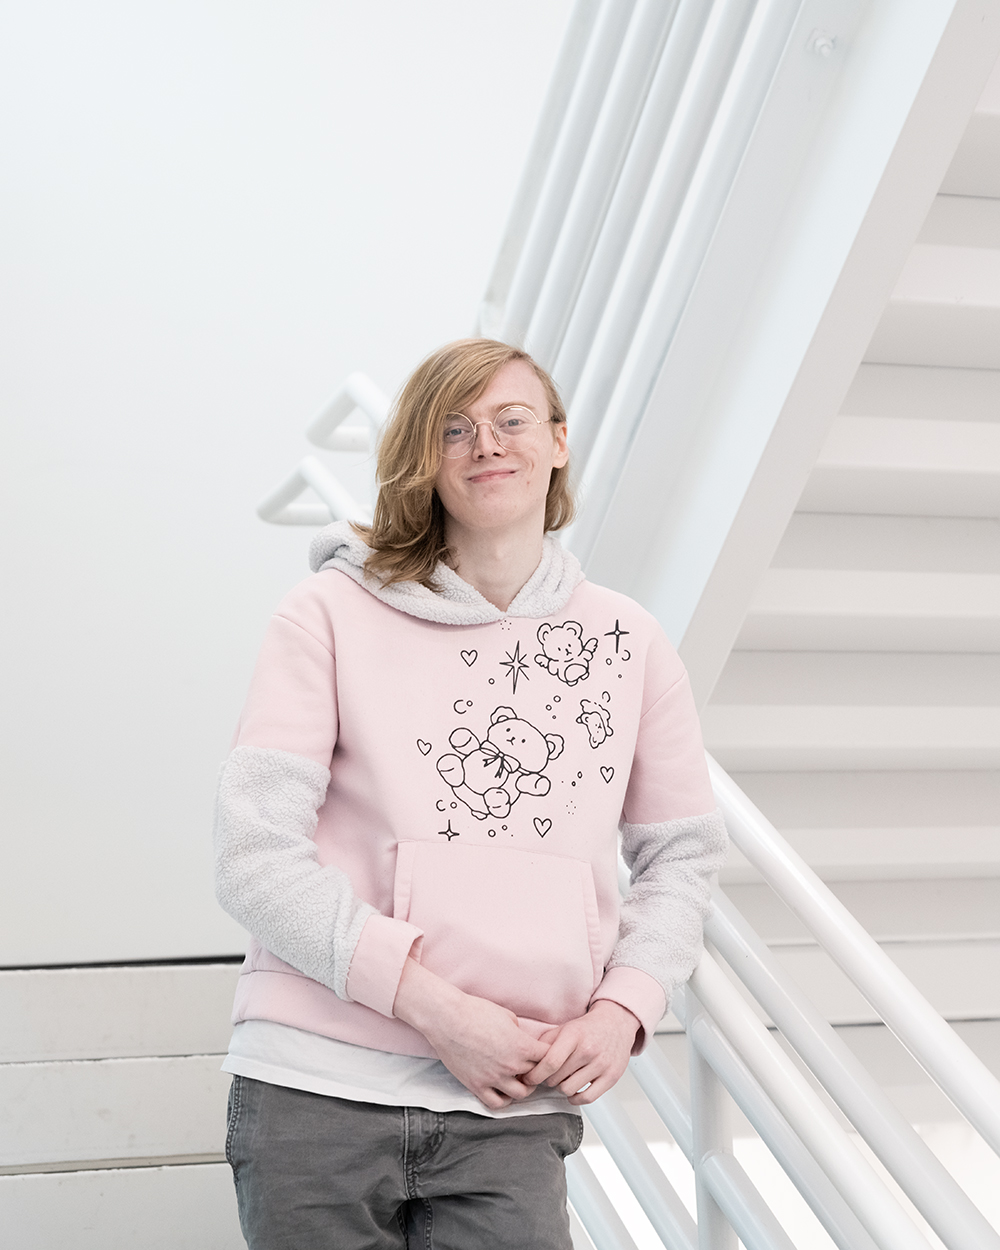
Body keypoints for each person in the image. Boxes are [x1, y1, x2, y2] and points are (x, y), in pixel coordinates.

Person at [214, 338, 727, 1249]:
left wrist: (626, 1005)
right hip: (315, 1087)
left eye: (511, 419)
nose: (485, 442)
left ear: (559, 442)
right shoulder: (327, 614)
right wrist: (438, 1010)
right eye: (453, 428)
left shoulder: (632, 643)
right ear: (424, 455)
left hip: (515, 1104)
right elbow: (253, 858)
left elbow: (682, 853)